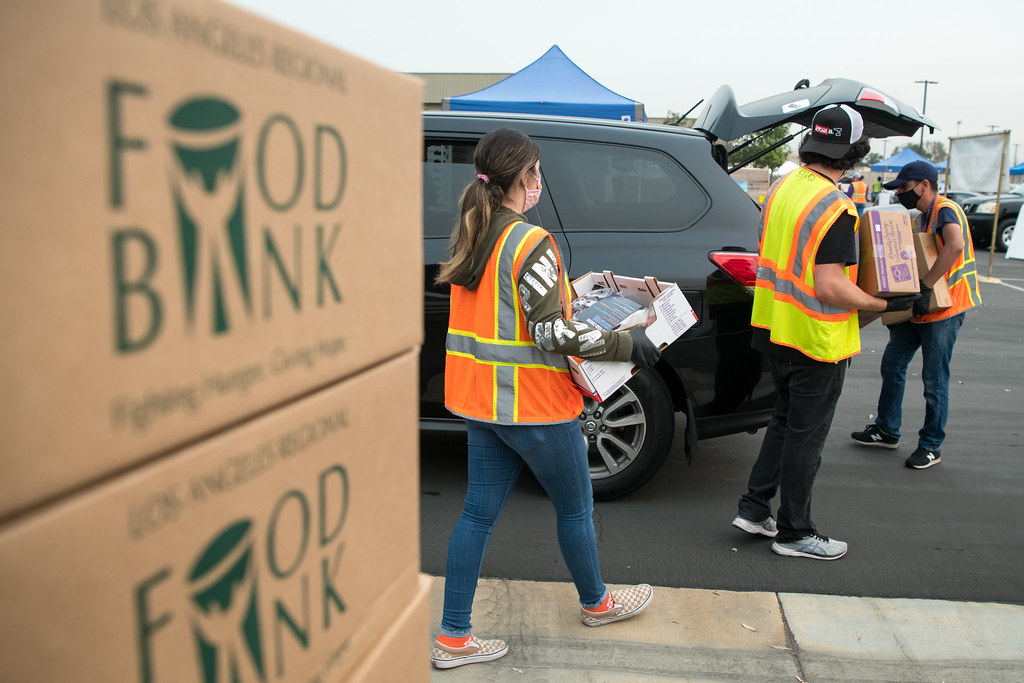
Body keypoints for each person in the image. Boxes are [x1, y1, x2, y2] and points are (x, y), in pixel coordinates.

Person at [430, 128, 656, 669]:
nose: (540, 183)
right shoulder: (530, 242)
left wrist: (564, 291)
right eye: (537, 173)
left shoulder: (474, 234)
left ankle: (454, 638)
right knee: (575, 508)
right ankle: (597, 603)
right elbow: (550, 334)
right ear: (526, 177)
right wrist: (630, 342)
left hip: (484, 403)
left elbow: (508, 311)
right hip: (535, 405)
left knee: (477, 517)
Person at [730, 105, 919, 561]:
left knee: (783, 424)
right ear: (855, 151)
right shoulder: (836, 205)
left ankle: (755, 509)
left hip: (777, 327)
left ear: (810, 141)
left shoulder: (784, 187)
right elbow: (830, 284)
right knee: (805, 438)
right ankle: (795, 532)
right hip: (817, 339)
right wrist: (882, 303)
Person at [850, 160, 982, 469]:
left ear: (924, 184)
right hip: (920, 307)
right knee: (893, 364)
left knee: (934, 379)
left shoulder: (946, 210)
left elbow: (955, 246)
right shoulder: (921, 217)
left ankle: (931, 445)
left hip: (945, 309)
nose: (901, 196)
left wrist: (925, 285)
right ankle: (887, 429)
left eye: (905, 189)